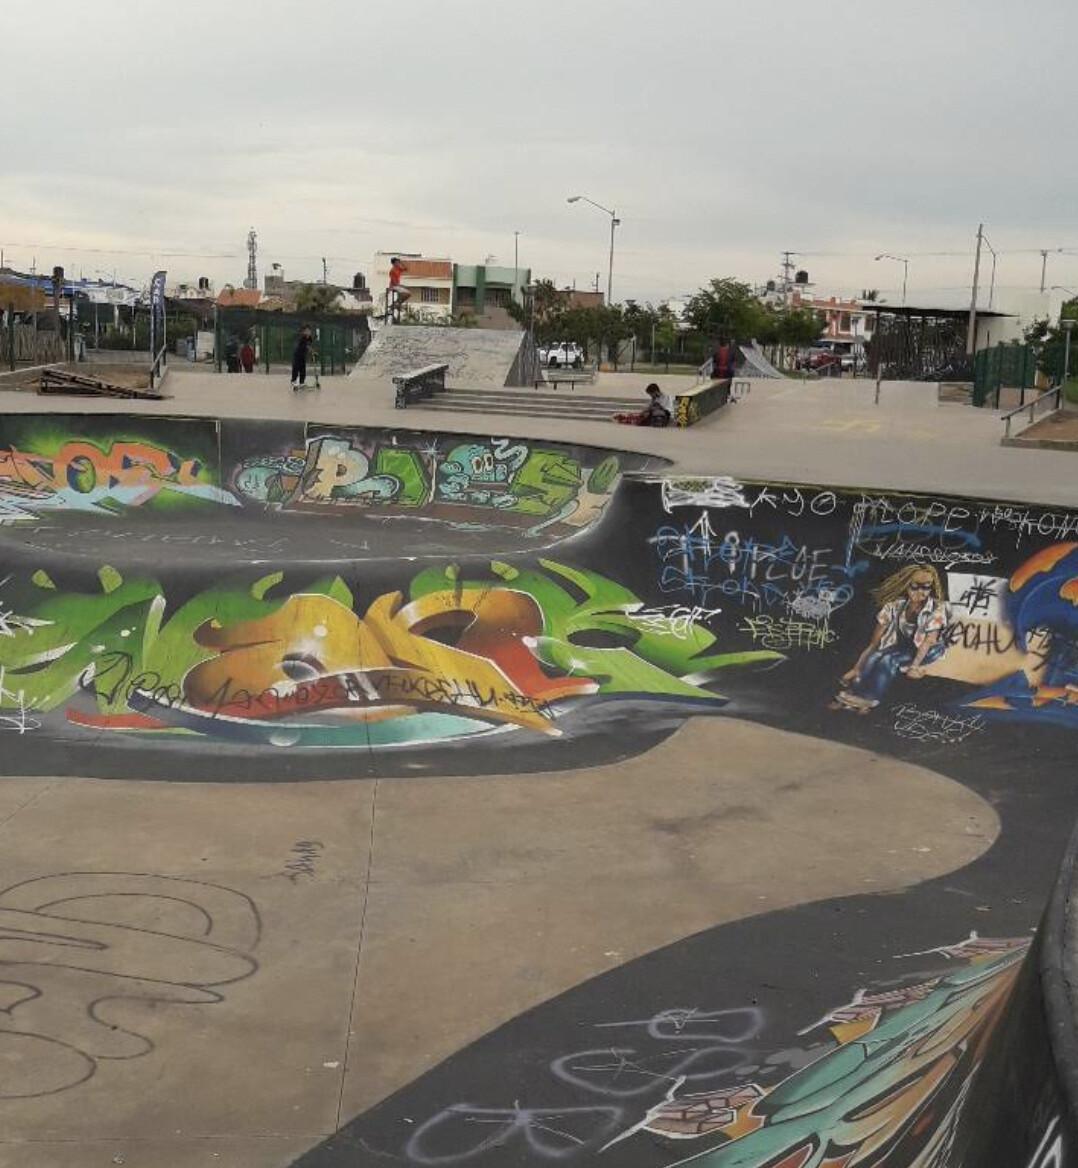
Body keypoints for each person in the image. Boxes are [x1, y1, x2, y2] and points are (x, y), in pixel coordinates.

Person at [831, 565, 950, 714]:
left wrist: (914, 666)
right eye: (915, 586)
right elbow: (874, 643)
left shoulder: (936, 609)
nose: (921, 592)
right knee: (876, 656)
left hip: (930, 650)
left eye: (926, 588)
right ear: (906, 585)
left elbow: (929, 641)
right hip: (905, 647)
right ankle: (853, 692)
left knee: (889, 661)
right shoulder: (894, 607)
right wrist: (856, 668)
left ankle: (870, 697)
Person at [291, 326, 313, 390]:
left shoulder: (310, 338)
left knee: (303, 369)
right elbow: (305, 346)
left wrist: (312, 351)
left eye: (309, 331)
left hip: (303, 356)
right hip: (297, 355)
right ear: (304, 332)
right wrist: (309, 349)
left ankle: (302, 382)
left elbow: (309, 345)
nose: (308, 332)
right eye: (307, 331)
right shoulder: (302, 338)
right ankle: (294, 381)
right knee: (296, 368)